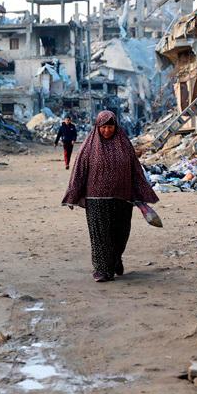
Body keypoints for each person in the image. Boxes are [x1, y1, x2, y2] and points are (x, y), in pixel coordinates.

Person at [62, 110, 160, 283]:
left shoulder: (124, 144)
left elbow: (136, 171)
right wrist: (72, 194)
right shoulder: (89, 146)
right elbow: (79, 171)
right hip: (96, 199)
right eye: (103, 127)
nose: (107, 131)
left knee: (120, 234)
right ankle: (101, 270)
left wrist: (141, 194)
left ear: (116, 127)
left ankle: (115, 260)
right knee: (100, 235)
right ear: (98, 127)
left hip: (122, 198)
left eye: (110, 127)